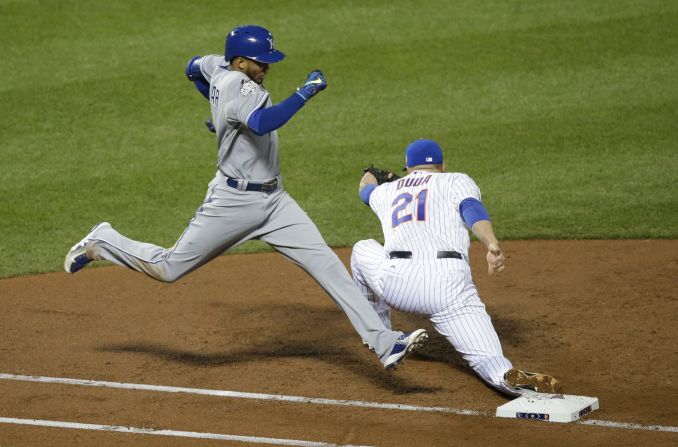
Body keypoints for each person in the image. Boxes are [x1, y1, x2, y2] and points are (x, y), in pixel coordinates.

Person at [64, 25, 428, 371]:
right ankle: (102, 241)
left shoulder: (217, 64)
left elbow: (193, 68)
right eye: (261, 61)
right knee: (169, 268)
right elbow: (262, 123)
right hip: (233, 203)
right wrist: (305, 92)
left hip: (276, 203)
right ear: (240, 62)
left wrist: (218, 111)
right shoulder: (240, 85)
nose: (267, 66)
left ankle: (384, 342)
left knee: (329, 266)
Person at [351, 139, 562, 395]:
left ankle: (380, 335)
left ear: (407, 168)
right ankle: (505, 377)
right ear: (443, 166)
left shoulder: (387, 191)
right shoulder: (456, 180)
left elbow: (365, 190)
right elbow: (472, 210)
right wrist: (491, 244)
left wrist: (371, 173)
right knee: (491, 361)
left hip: (398, 284)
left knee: (362, 248)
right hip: (449, 288)